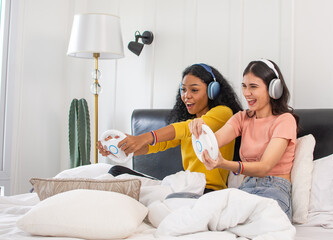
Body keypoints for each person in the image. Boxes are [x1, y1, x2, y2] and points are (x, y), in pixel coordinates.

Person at [98, 63, 242, 193]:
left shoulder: (224, 113)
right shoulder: (191, 121)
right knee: (116, 171)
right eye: (183, 90)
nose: (186, 96)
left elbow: (185, 128)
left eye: (194, 90)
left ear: (213, 91)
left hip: (207, 190)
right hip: (186, 187)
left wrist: (142, 137)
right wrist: (123, 146)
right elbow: (160, 144)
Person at [189, 59, 298, 220]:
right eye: (244, 86)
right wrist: (201, 127)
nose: (246, 93)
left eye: (253, 87)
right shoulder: (242, 118)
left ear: (274, 88)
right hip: (246, 188)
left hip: (274, 189)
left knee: (262, 223)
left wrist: (224, 164)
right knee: (212, 218)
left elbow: (264, 167)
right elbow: (214, 141)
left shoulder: (285, 120)